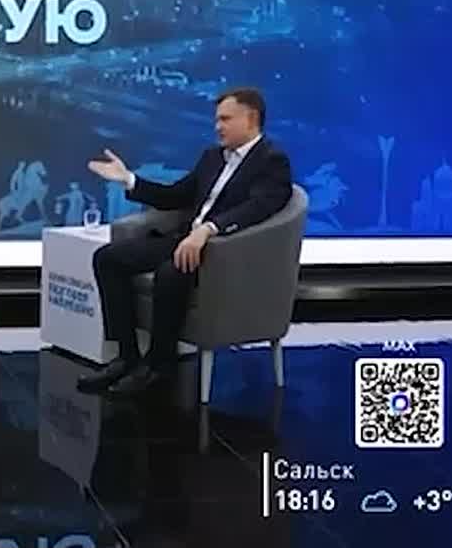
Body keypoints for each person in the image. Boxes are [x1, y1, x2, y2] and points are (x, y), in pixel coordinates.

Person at [77, 87, 293, 395]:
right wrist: (129, 180)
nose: (217, 126)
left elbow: (260, 207)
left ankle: (158, 366)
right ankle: (126, 357)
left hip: (225, 250)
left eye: (225, 119)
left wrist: (209, 230)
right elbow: (176, 196)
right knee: (108, 258)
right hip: (185, 240)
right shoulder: (212, 157)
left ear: (251, 119)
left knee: (171, 271)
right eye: (217, 119)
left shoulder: (272, 160)